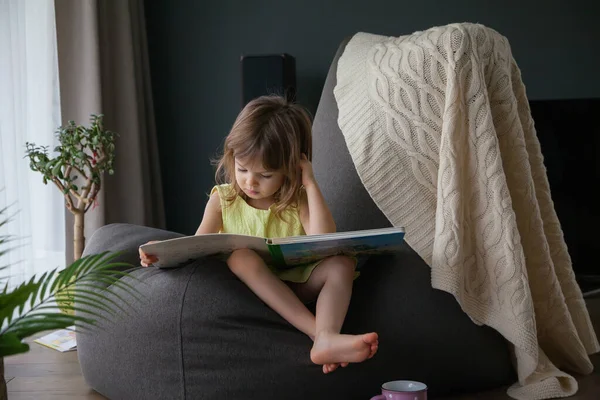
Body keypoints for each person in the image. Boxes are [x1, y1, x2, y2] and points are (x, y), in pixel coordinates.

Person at [139, 95, 378, 374]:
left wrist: (310, 184)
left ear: (290, 170)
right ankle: (320, 336)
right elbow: (196, 246)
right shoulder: (223, 200)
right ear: (231, 158)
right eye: (242, 169)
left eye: (265, 175)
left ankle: (327, 335)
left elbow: (325, 242)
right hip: (250, 292)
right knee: (241, 258)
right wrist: (163, 250)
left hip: (297, 287)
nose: (250, 181)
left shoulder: (296, 200)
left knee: (342, 263)